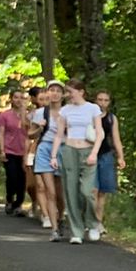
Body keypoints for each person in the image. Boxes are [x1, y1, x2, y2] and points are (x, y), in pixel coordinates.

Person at [53, 78, 105, 245]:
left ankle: (93, 223)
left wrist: (94, 153)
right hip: (69, 151)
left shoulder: (93, 108)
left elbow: (100, 133)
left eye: (71, 92)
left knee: (86, 191)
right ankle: (76, 230)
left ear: (81, 92)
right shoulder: (65, 110)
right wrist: (54, 156)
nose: (68, 95)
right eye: (67, 92)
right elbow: (59, 135)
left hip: (87, 150)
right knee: (71, 191)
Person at [29, 82, 63, 235]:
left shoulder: (68, 112)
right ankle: (54, 227)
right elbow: (30, 134)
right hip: (44, 148)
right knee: (50, 191)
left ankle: (60, 216)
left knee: (60, 193)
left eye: (58, 91)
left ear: (63, 94)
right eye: (51, 90)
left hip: (62, 150)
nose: (54, 93)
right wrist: (38, 127)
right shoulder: (40, 113)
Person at [92, 89, 124, 239]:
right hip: (91, 155)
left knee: (102, 192)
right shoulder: (89, 115)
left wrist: (120, 157)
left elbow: (116, 138)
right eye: (100, 99)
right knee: (92, 190)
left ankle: (98, 221)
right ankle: (91, 220)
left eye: (106, 100)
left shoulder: (111, 118)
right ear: (95, 100)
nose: (102, 103)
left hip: (105, 155)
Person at [0, 88, 31, 217]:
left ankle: (18, 204)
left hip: (24, 151)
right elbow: (1, 133)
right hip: (9, 150)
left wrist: (24, 113)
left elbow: (29, 129)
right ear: (11, 99)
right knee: (12, 177)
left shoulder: (29, 115)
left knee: (22, 179)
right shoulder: (5, 115)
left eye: (21, 98)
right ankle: (9, 200)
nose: (19, 100)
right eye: (16, 97)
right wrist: (1, 150)